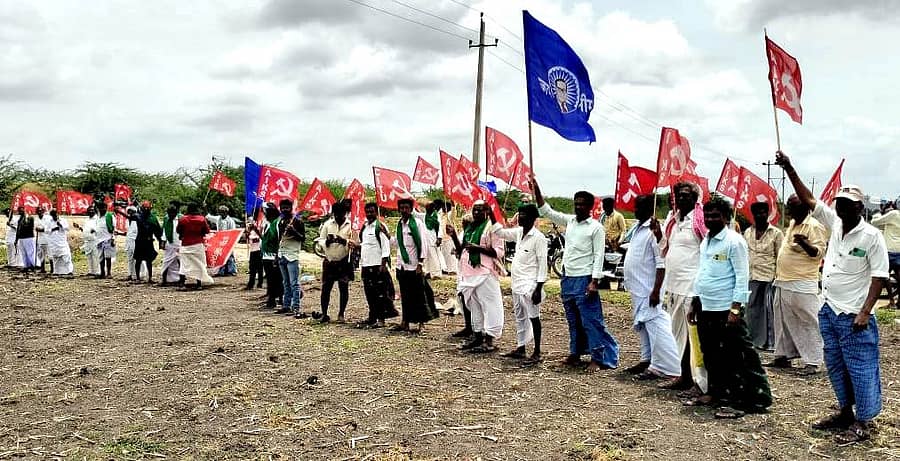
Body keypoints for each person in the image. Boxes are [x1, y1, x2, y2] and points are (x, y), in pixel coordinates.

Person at [777, 151, 888, 443]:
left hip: (854, 316)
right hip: (829, 310)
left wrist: (865, 311)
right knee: (837, 366)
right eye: (839, 203)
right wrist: (789, 168)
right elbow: (809, 199)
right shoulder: (835, 224)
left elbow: (879, 276)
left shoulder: (871, 237)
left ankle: (863, 421)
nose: (841, 207)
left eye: (849, 204)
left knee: (861, 367)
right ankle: (845, 413)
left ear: (860, 207)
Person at [686, 196, 771, 418]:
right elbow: (702, 273)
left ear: (726, 217)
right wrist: (695, 301)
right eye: (707, 215)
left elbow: (743, 277)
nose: (710, 219)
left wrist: (735, 309)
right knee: (711, 353)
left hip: (726, 309)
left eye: (716, 215)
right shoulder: (706, 241)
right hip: (706, 306)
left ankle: (745, 401)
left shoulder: (734, 242)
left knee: (736, 356)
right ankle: (717, 393)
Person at [533, 178, 619, 372]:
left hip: (585, 279)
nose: (578, 207)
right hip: (567, 277)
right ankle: (575, 353)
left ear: (590, 207)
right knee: (573, 319)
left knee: (591, 320)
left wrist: (594, 281)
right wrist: (537, 190)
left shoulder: (596, 228)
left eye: (582, 204)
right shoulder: (570, 221)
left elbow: (599, 255)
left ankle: (598, 358)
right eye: (576, 204)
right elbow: (546, 211)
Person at [765, 194, 827, 376]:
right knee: (782, 320)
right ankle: (783, 356)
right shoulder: (793, 223)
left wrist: (805, 243)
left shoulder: (814, 226)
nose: (791, 210)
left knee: (807, 321)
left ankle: (813, 361)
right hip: (784, 280)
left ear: (806, 208)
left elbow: (818, 253)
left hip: (803, 281)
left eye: (795, 207)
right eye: (790, 206)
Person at [622, 195, 681, 382]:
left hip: (649, 289)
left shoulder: (655, 231)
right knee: (643, 327)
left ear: (650, 208)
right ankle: (647, 359)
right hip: (637, 287)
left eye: (639, 207)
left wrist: (656, 291)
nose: (635, 210)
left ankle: (669, 366)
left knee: (657, 326)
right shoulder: (638, 228)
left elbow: (661, 263)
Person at [659, 182, 708, 394]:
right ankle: (684, 376)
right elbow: (664, 249)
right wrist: (656, 233)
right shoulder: (673, 221)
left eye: (687, 196)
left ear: (695, 199)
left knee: (693, 338)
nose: (681, 199)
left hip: (692, 287)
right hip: (673, 287)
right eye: (679, 196)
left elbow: (708, 251)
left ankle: (701, 383)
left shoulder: (700, 220)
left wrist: (699, 290)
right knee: (677, 335)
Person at [447, 200, 505, 353]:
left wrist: (478, 248)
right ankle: (477, 336)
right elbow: (462, 250)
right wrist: (453, 236)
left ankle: (489, 340)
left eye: (480, 210)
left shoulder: (491, 228)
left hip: (485, 273)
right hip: (468, 274)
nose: (477, 213)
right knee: (475, 307)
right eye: (475, 210)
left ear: (487, 212)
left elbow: (498, 252)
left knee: (490, 307)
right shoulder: (470, 228)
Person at [493, 203, 547, 364]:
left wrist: (539, 288)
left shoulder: (539, 238)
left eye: (523, 214)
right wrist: (491, 214)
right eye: (519, 213)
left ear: (532, 218)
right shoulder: (518, 233)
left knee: (534, 317)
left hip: (530, 285)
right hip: (517, 284)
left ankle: (537, 352)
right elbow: (500, 232)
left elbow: (543, 265)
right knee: (520, 317)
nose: (519, 217)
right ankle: (521, 348)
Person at [393, 197, 439, 332]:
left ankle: (421, 323)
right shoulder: (399, 224)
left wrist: (420, 263)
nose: (404, 210)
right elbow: (397, 242)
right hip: (402, 265)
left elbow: (423, 244)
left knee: (419, 295)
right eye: (401, 208)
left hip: (414, 265)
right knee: (405, 295)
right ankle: (405, 322)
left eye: (406, 208)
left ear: (411, 209)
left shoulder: (417, 223)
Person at [743, 202, 784, 350]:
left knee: (768, 311)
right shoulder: (747, 232)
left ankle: (770, 343)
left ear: (767, 214)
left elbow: (780, 256)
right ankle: (754, 341)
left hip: (769, 277)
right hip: (751, 276)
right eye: (757, 213)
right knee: (752, 310)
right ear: (753, 215)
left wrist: (778, 277)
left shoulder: (776, 233)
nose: (760, 215)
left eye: (763, 212)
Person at [357, 202, 398, 328]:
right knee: (370, 294)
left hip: (377, 265)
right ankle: (372, 317)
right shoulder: (365, 227)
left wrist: (383, 264)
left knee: (381, 294)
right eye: (367, 211)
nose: (369, 214)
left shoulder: (380, 226)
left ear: (376, 212)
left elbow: (386, 247)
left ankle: (381, 320)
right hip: (366, 264)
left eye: (372, 211)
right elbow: (364, 245)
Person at [319, 201, 356, 323]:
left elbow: (355, 242)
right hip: (329, 261)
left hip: (344, 261)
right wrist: (326, 242)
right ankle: (324, 313)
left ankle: (341, 314)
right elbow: (320, 240)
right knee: (326, 288)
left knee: (343, 288)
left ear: (345, 213)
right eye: (336, 214)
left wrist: (344, 241)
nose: (338, 216)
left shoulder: (351, 225)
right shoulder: (328, 224)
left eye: (341, 214)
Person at [276, 199, 305, 317]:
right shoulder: (281, 221)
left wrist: (293, 231)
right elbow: (279, 239)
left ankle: (296, 307)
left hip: (292, 255)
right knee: (285, 283)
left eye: (287, 207)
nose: (284, 210)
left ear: (291, 207)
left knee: (294, 283)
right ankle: (286, 305)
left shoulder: (297, 221)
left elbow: (303, 238)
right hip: (282, 254)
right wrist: (276, 255)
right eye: (282, 207)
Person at [176, 203, 214, 290]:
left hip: (186, 244)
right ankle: (199, 284)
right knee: (199, 264)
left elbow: (178, 230)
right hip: (198, 244)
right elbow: (207, 231)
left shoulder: (182, 219)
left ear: (188, 209)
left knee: (184, 264)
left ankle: (182, 284)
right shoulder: (201, 219)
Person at [871, 201, 900, 307]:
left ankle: (892, 301)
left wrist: (878, 214)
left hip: (890, 251)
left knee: (883, 276)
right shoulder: (892, 219)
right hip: (898, 251)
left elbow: (875, 222)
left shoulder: (893, 215)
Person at [260, 203, 283, 309]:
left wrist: (277, 256)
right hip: (266, 255)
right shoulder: (267, 224)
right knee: (270, 279)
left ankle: (274, 300)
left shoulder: (277, 224)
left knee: (275, 279)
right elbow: (264, 239)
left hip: (273, 256)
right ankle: (272, 299)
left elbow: (279, 240)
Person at [133, 201, 163, 283]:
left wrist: (160, 241)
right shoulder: (138, 216)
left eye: (148, 208)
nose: (146, 209)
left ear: (150, 208)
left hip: (149, 241)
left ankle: (150, 278)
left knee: (148, 260)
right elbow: (129, 216)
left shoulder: (153, 218)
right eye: (144, 208)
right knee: (138, 260)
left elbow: (158, 231)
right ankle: (138, 278)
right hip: (139, 240)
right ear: (142, 208)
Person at [210, 205, 238, 276]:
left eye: (222, 212)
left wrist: (230, 241)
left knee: (230, 255)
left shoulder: (231, 221)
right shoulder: (218, 219)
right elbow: (208, 217)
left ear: (226, 212)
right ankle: (221, 271)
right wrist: (205, 207)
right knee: (221, 256)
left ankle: (231, 271)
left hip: (228, 240)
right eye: (220, 212)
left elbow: (233, 232)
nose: (220, 213)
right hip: (220, 241)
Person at [160, 204, 182, 286]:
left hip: (179, 243)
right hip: (169, 243)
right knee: (166, 261)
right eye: (169, 213)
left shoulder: (181, 218)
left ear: (175, 213)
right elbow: (164, 231)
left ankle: (181, 280)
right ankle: (164, 280)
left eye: (171, 213)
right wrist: (163, 241)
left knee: (180, 262)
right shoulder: (166, 218)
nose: (170, 215)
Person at [46, 209, 73, 276]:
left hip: (62, 241)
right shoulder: (49, 221)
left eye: (56, 214)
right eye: (53, 215)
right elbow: (46, 230)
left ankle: (69, 271)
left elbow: (67, 228)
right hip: (53, 242)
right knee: (55, 257)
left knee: (66, 255)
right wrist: (53, 229)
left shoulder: (63, 220)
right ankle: (57, 271)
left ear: (57, 214)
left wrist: (60, 225)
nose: (55, 216)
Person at [94, 202, 116, 278]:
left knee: (108, 257)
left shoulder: (110, 216)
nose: (101, 210)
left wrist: (113, 238)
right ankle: (102, 272)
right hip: (99, 240)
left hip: (108, 239)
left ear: (106, 208)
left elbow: (114, 228)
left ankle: (109, 273)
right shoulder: (98, 217)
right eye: (100, 208)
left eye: (103, 208)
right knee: (101, 257)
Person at [77, 207, 100, 276]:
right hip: (87, 240)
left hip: (95, 240)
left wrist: (94, 230)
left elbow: (100, 229)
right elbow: (85, 230)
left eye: (92, 210)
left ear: (95, 211)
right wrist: (80, 228)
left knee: (96, 256)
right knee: (89, 257)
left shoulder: (97, 219)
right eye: (89, 210)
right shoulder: (87, 220)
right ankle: (91, 271)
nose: (91, 211)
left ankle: (98, 271)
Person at [14, 207, 37, 272]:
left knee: (30, 252)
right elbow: (18, 229)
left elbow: (29, 227)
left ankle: (33, 265)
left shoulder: (30, 218)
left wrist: (25, 221)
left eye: (21, 211)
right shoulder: (20, 219)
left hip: (28, 237)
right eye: (19, 211)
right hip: (21, 238)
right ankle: (26, 265)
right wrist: (16, 239)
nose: (20, 212)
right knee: (23, 253)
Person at [123, 206, 142, 281]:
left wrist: (119, 212)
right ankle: (130, 274)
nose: (130, 213)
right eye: (129, 211)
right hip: (129, 242)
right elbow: (128, 233)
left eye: (132, 211)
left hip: (136, 242)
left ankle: (140, 274)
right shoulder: (128, 222)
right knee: (130, 258)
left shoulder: (138, 221)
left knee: (137, 258)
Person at [244, 220, 264, 290]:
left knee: (259, 268)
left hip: (258, 251)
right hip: (252, 251)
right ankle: (251, 284)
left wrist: (256, 231)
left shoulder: (257, 232)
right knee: (252, 269)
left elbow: (259, 239)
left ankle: (260, 283)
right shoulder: (250, 232)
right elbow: (248, 240)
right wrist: (247, 234)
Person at [35, 207, 53, 273]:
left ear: (43, 211)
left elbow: (49, 228)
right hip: (40, 239)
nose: (40, 212)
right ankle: (42, 269)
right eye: (38, 211)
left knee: (50, 254)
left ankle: (52, 269)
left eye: (41, 211)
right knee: (41, 255)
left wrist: (42, 229)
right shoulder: (36, 219)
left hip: (48, 239)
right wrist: (38, 229)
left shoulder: (48, 218)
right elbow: (35, 227)